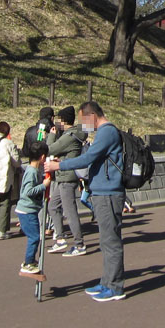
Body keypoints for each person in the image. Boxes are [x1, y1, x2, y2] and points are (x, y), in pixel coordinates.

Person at [46, 101, 126, 302]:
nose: (83, 125)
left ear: (91, 116)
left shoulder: (107, 132)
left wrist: (59, 165)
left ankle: (115, 287)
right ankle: (107, 281)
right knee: (106, 240)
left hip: (108, 192)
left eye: (84, 120)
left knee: (111, 241)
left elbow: (88, 158)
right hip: (102, 191)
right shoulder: (104, 132)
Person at [45, 105, 87, 256]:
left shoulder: (69, 136)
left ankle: (79, 243)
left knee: (70, 211)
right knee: (53, 206)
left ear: (62, 120)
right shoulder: (75, 134)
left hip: (67, 177)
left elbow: (49, 149)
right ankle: (60, 238)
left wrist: (50, 135)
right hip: (63, 176)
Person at [15, 141, 52, 274]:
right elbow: (28, 191)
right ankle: (28, 262)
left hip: (30, 209)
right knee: (35, 237)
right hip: (27, 210)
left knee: (35, 236)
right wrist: (44, 185)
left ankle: (30, 261)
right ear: (42, 157)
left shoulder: (33, 171)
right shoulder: (31, 172)